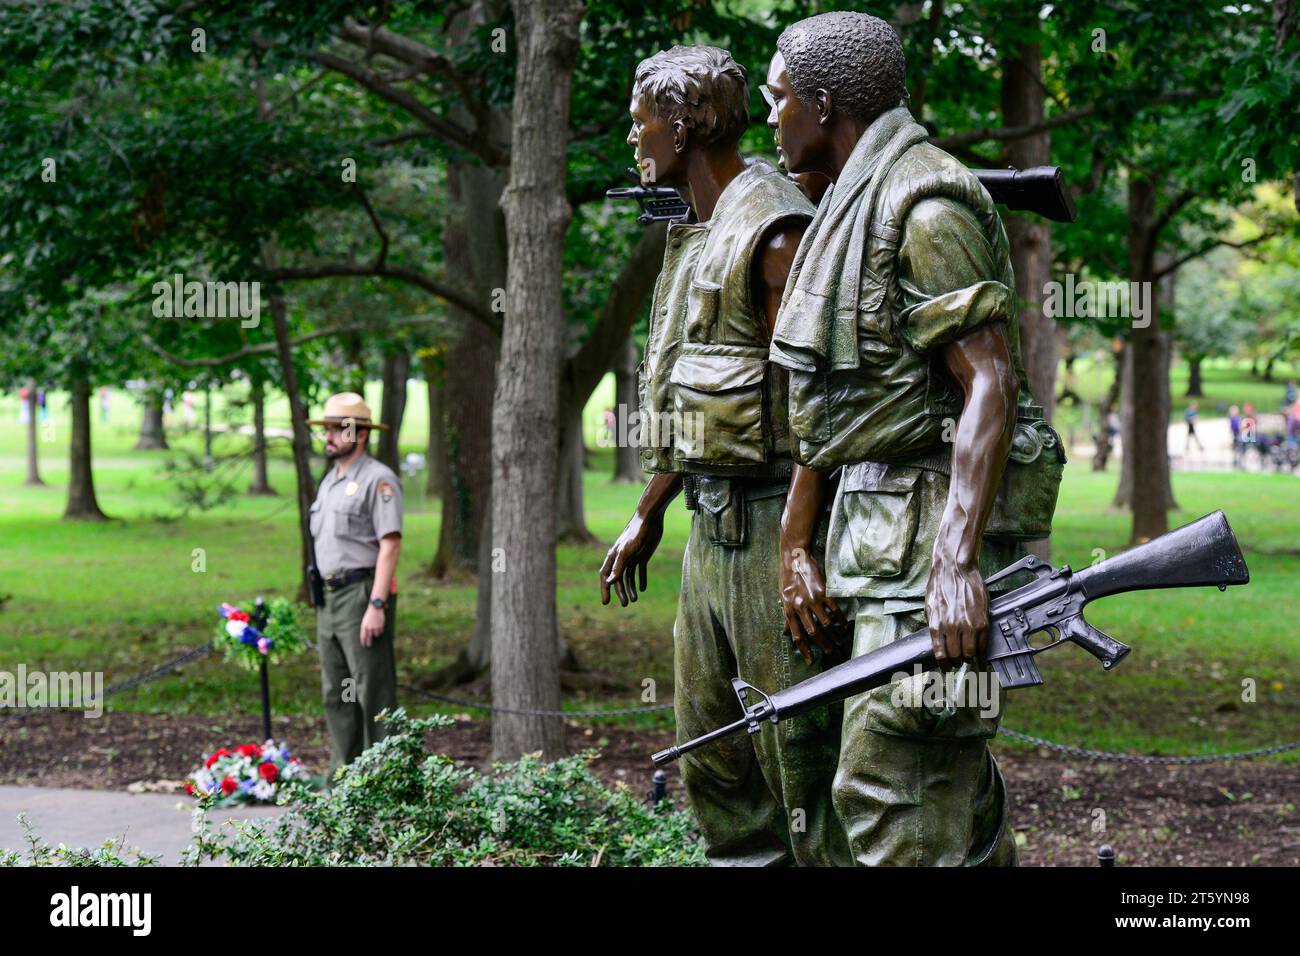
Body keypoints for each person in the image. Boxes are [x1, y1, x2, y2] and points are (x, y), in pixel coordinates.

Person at [765, 11, 1034, 866]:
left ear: (823, 101)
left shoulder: (923, 201)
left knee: (896, 796)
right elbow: (842, 402)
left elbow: (989, 378)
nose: (772, 118)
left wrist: (955, 563)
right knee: (905, 789)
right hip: (872, 538)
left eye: (779, 100)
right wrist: (797, 540)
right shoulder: (849, 200)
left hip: (921, 545)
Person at [599, 45, 847, 866]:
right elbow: (700, 401)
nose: (634, 138)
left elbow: (822, 406)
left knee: (800, 763)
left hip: (772, 520)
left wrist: (796, 545)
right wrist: (648, 510)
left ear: (682, 124)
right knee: (714, 762)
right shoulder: (696, 232)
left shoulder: (775, 233)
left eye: (641, 122)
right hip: (709, 531)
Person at [306, 392, 404, 778]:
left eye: (335, 429)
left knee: (373, 691)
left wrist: (376, 604)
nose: (327, 437)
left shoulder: (379, 480)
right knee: (337, 692)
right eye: (326, 429)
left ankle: (384, 779)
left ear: (358, 434)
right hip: (329, 599)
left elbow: (390, 543)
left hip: (362, 595)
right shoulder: (331, 481)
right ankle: (345, 779)